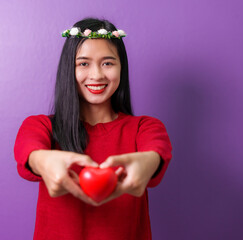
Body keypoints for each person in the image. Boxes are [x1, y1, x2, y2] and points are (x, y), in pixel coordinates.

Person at [14, 17, 172, 240]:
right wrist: (43, 161)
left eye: (107, 63)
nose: (96, 75)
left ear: (121, 68)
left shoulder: (144, 128)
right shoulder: (41, 126)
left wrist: (147, 163)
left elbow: (157, 152)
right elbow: (28, 150)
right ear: (69, 69)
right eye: (83, 63)